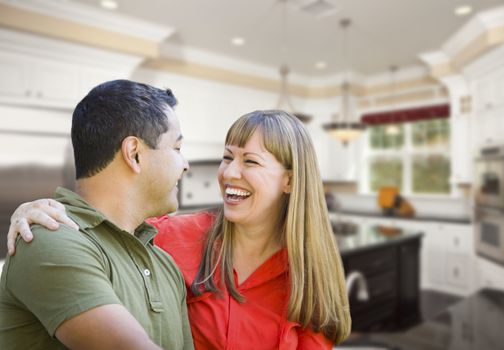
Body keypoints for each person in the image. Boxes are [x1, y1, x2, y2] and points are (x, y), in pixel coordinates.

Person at [7, 110, 352, 349]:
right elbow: (101, 225)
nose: (230, 173)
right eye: (227, 157)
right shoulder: (170, 236)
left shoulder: (308, 277)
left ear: (289, 180)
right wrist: (37, 208)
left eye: (250, 161)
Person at [0, 80, 194, 350]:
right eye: (177, 148)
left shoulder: (164, 264)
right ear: (134, 154)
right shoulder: (48, 238)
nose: (185, 164)